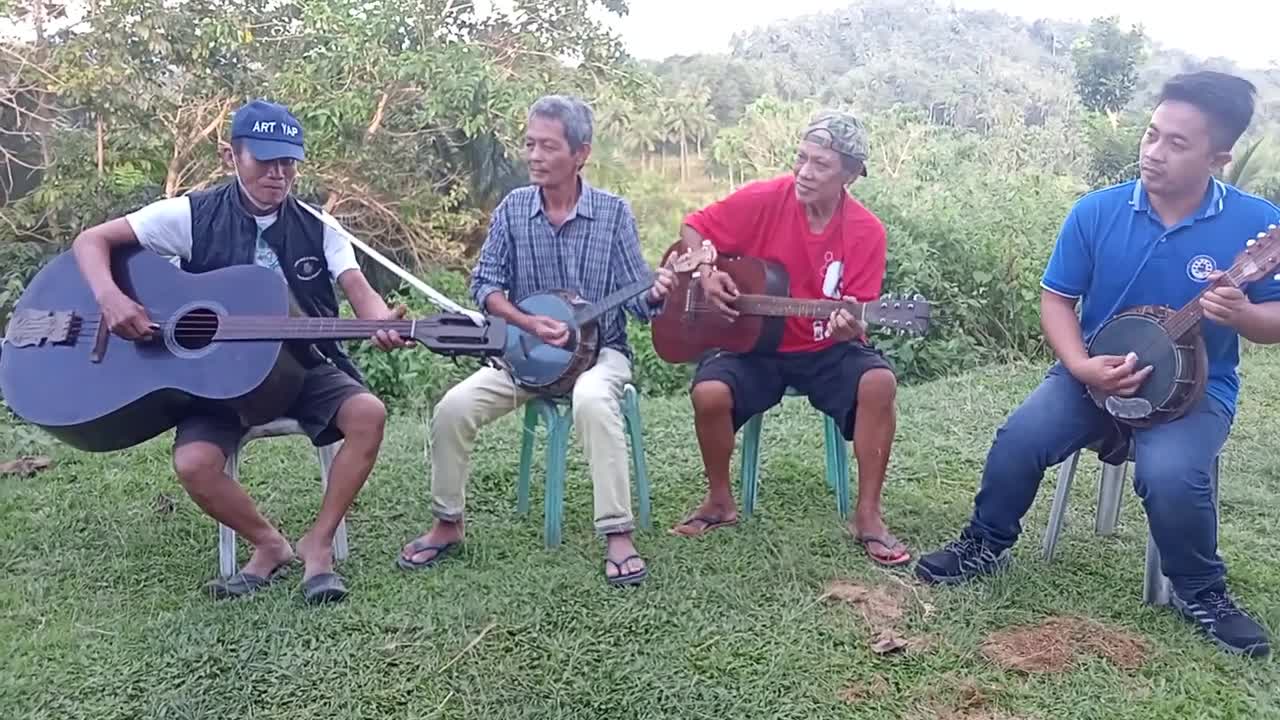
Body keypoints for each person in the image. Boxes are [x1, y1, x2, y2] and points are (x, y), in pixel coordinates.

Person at [915, 71, 1280, 659]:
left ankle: (1201, 593)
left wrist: (1241, 314)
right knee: (1020, 436)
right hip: (1089, 373)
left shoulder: (1252, 223)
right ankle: (982, 544)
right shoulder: (1097, 211)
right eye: (1151, 134)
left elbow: (1274, 324)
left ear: (1220, 156)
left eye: (1177, 144)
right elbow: (1057, 298)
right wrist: (1082, 366)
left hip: (1194, 391)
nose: (1153, 152)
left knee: (1170, 475)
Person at [71, 98, 410, 604]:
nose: (278, 174)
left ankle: (318, 544)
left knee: (368, 413)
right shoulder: (191, 214)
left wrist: (381, 322)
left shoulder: (320, 226)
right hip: (218, 376)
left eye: (288, 162)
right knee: (193, 464)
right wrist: (111, 297)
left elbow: (359, 289)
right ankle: (267, 544)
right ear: (232, 156)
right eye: (265, 160)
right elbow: (91, 240)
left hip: (303, 367)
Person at [396, 95, 673, 586]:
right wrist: (526, 322)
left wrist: (657, 292)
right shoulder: (513, 209)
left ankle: (617, 534)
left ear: (580, 153)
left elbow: (636, 302)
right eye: (530, 144)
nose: (534, 156)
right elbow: (484, 285)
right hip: (525, 355)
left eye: (548, 146)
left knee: (590, 398)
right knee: (452, 408)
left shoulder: (613, 214)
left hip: (599, 354)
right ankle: (447, 522)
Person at [668, 109, 908, 567]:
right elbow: (694, 225)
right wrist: (705, 270)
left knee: (878, 383)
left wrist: (851, 324)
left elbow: (857, 315)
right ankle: (719, 500)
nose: (804, 172)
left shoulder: (866, 232)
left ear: (851, 175)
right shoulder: (764, 198)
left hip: (826, 349)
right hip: (754, 346)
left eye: (821, 165)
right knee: (710, 392)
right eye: (801, 158)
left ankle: (869, 516)